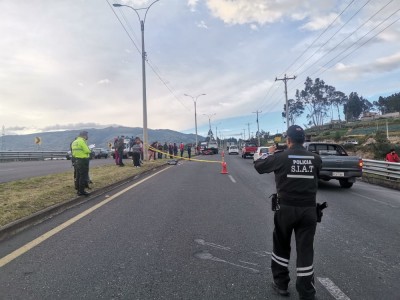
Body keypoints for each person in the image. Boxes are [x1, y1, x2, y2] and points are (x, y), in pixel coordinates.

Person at [254, 125, 322, 300]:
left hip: (285, 209)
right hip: (309, 210)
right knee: (305, 250)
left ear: (288, 140)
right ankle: (307, 293)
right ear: (304, 140)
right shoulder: (315, 158)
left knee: (281, 245)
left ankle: (281, 284)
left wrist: (268, 153)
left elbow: (259, 166)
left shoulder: (281, 157)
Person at [71, 131, 92, 196]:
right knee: (83, 176)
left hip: (76, 160)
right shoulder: (82, 141)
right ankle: (82, 191)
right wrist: (90, 149)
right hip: (83, 160)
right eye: (87, 135)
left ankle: (78, 190)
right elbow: (87, 150)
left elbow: (73, 152)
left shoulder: (74, 142)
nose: (87, 137)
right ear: (84, 136)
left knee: (78, 176)